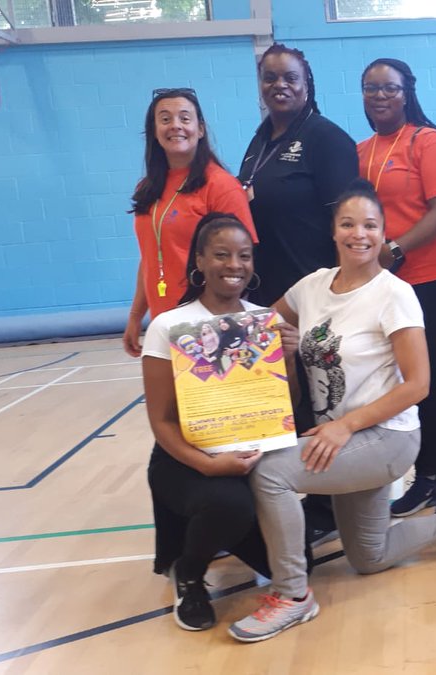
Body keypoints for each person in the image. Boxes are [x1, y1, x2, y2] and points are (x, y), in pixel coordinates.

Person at [229, 180, 436, 643]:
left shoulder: (394, 294)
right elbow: (259, 325)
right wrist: (220, 333)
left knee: (271, 474)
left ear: (383, 234)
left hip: (385, 439)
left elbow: (419, 384)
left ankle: (293, 596)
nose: (358, 234)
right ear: (333, 230)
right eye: (348, 224)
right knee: (370, 556)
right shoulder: (312, 287)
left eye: (370, 225)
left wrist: (344, 426)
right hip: (343, 439)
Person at [237, 43, 360, 539]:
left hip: (317, 291)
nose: (279, 86)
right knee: (290, 404)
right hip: (272, 300)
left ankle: (332, 507)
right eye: (269, 78)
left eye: (289, 78)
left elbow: (348, 222)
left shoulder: (326, 138)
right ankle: (294, 496)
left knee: (322, 402)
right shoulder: (261, 137)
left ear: (307, 82)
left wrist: (342, 292)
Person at [140, 213, 270, 632]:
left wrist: (284, 359)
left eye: (244, 256)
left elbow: (286, 409)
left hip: (250, 455)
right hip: (186, 461)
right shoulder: (169, 326)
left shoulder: (261, 321)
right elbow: (160, 421)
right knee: (229, 506)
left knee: (297, 559)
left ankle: (223, 533)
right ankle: (191, 571)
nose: (234, 264)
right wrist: (210, 465)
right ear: (198, 260)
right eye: (221, 254)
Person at [356, 58, 436, 517]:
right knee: (399, 384)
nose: (380, 96)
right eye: (371, 88)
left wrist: (393, 251)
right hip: (381, 288)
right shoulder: (361, 150)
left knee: (426, 383)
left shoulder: (429, 141)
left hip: (430, 281)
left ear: (407, 92)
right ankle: (423, 477)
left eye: (390, 88)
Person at [124, 88, 256, 358]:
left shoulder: (221, 186)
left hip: (206, 326)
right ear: (154, 130)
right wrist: (137, 315)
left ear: (201, 129)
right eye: (165, 118)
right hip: (163, 322)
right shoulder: (147, 189)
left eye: (185, 118)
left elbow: (242, 264)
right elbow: (151, 257)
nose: (175, 125)